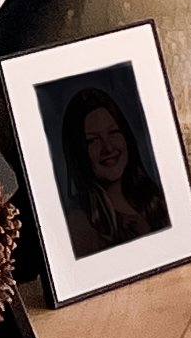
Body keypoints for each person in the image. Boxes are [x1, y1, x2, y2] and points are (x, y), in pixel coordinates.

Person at [57, 86, 169, 252]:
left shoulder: (155, 198)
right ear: (78, 153)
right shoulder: (79, 224)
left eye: (113, 132)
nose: (108, 147)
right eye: (93, 140)